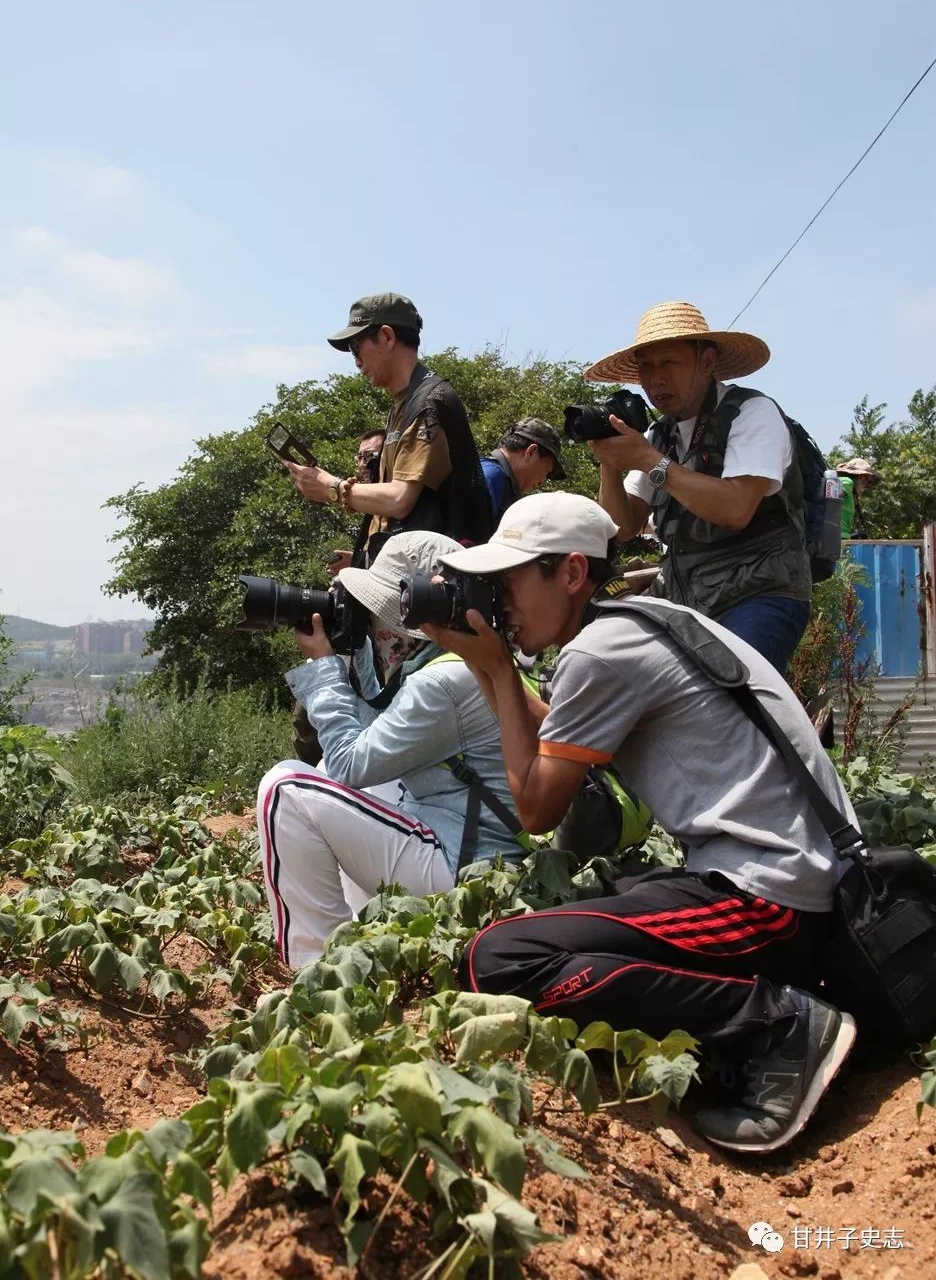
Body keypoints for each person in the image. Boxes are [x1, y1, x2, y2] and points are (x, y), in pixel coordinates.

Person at [422, 491, 859, 1155]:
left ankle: (777, 1023)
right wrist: (496, 672)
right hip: (792, 882)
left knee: (500, 959)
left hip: (770, 895)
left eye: (506, 580)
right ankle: (742, 1019)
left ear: (570, 573)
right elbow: (561, 743)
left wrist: (498, 671)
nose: (498, 601)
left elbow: (538, 809)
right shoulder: (634, 623)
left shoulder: (601, 653)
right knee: (614, 895)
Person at [257, 530, 524, 969]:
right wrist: (353, 658)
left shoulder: (443, 683)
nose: (372, 621)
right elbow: (363, 746)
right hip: (467, 848)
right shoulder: (450, 662)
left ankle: (315, 968)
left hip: (469, 869)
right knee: (323, 773)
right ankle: (358, 934)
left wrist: (326, 671)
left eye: (377, 611)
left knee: (285, 789)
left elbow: (352, 763)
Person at [586, 301, 811, 675]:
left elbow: (736, 508)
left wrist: (648, 460)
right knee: (614, 671)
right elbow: (622, 526)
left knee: (730, 690)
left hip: (760, 594)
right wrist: (610, 463)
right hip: (687, 599)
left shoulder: (752, 413)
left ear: (706, 361)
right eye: (645, 367)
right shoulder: (660, 435)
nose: (655, 379)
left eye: (668, 363)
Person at [285, 293, 492, 564]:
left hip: (429, 582)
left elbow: (399, 500)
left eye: (355, 347)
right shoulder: (403, 404)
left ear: (386, 337)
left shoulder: (428, 402)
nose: (356, 361)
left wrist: (332, 488)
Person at [481, 418, 567, 525]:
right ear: (531, 452)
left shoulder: (499, 480)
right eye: (547, 471)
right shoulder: (491, 477)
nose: (543, 481)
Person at [325, 429, 386, 579]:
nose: (361, 465)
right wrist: (355, 561)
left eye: (369, 456)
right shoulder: (371, 504)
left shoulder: (397, 501)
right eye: (359, 457)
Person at [836, 457, 881, 540]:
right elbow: (831, 490)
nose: (865, 487)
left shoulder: (850, 493)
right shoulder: (848, 482)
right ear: (862, 478)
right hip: (835, 539)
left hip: (840, 539)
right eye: (867, 483)